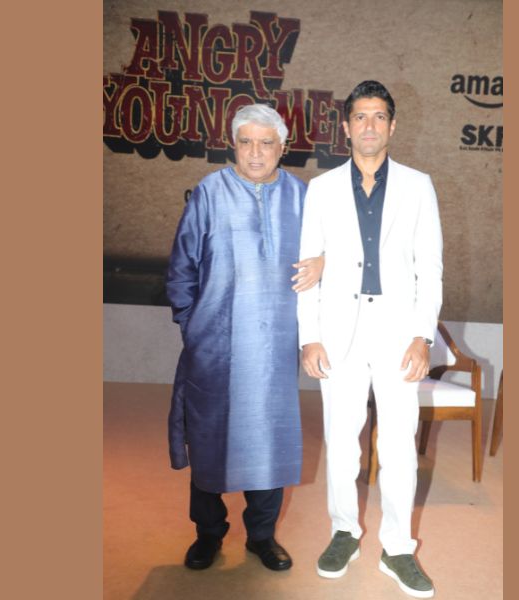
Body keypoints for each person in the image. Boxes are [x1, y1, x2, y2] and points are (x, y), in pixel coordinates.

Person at [297, 80, 443, 598]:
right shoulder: (321, 189)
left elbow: (430, 268)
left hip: (398, 334)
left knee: (399, 443)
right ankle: (344, 532)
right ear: (346, 126)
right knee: (341, 441)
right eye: (360, 116)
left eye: (379, 116)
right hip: (339, 334)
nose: (369, 126)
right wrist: (309, 338)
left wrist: (423, 336)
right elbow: (306, 270)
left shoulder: (419, 186)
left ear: (393, 126)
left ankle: (398, 548)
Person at [166, 103, 323, 572]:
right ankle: (208, 534)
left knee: (268, 440)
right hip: (215, 346)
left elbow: (326, 258)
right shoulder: (210, 193)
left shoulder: (302, 198)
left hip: (275, 349)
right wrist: (194, 326)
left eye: (266, 143)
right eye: (246, 142)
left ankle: (261, 537)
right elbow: (181, 268)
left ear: (282, 147)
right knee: (210, 438)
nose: (255, 153)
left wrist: (327, 263)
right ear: (233, 145)